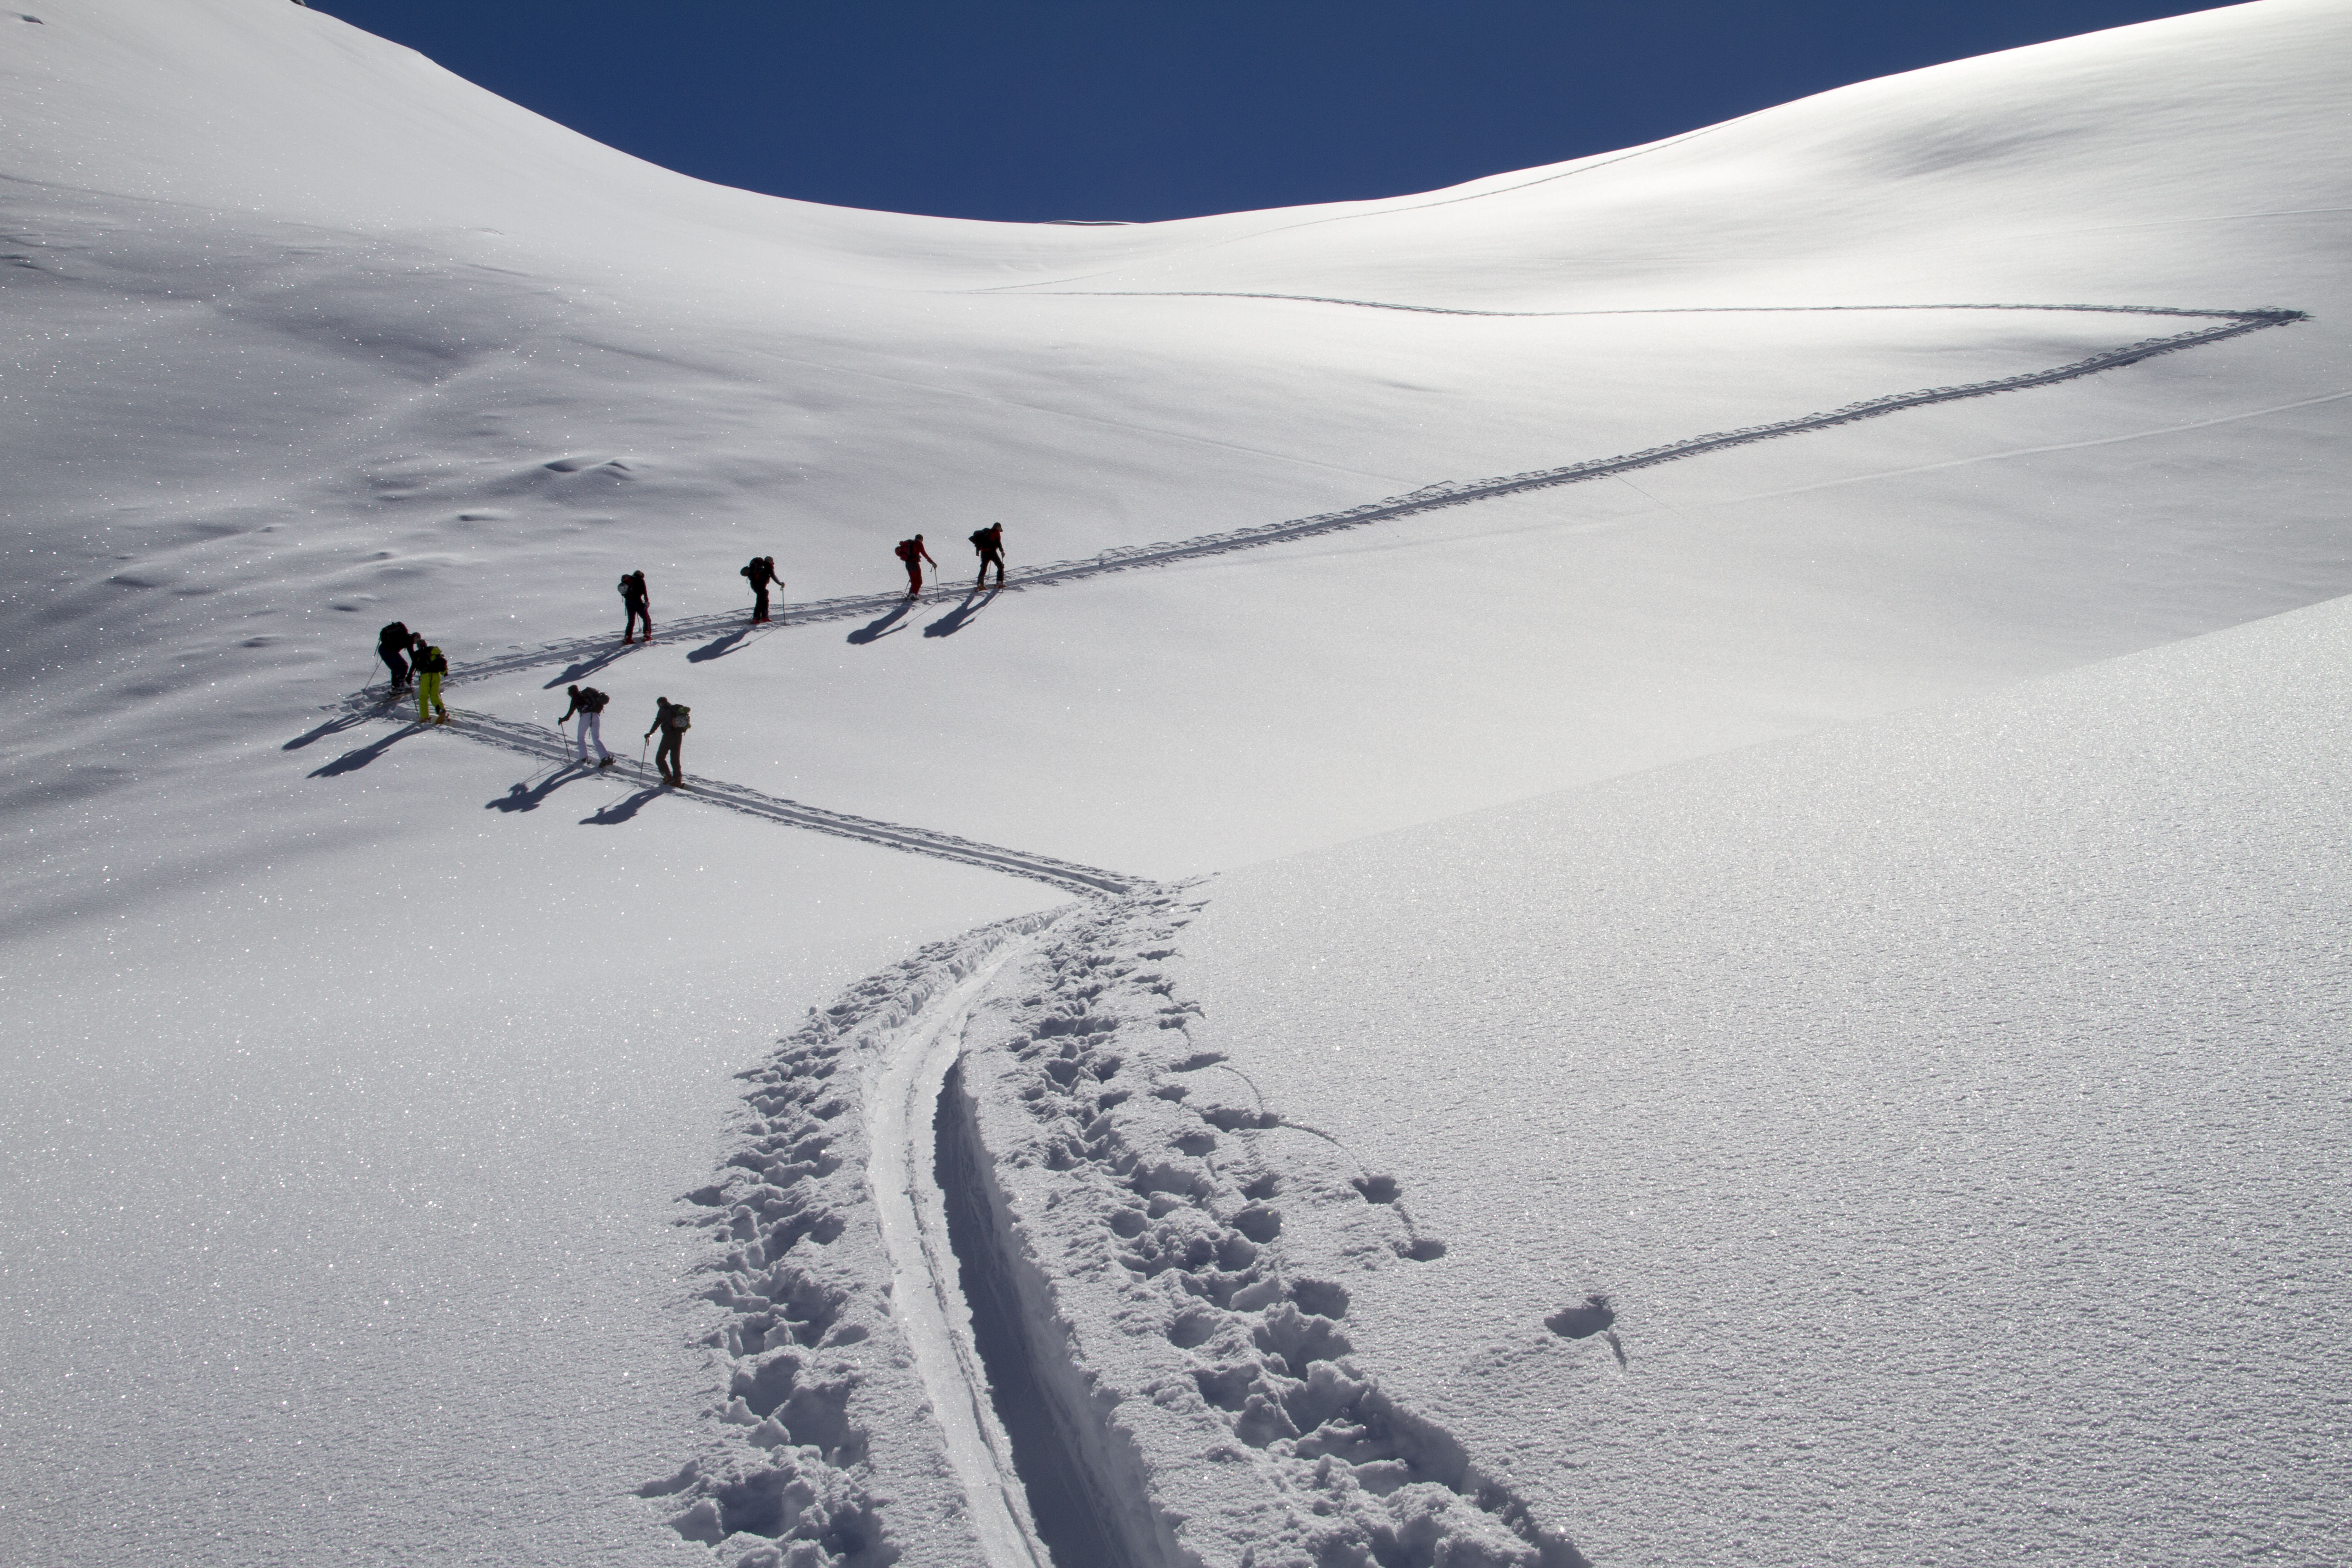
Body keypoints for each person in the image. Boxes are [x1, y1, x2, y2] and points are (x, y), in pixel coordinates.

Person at [559, 684, 615, 767]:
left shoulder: (576, 697)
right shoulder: (586, 696)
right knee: (596, 738)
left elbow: (570, 713)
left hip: (586, 716)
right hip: (596, 715)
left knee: (581, 737)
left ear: (572, 692)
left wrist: (562, 719)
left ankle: (583, 757)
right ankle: (605, 758)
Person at [645, 695, 690, 787]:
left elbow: (658, 721)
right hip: (678, 735)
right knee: (675, 758)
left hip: (668, 736)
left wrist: (650, 733)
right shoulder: (676, 710)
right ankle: (677, 779)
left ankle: (667, 777)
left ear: (660, 703)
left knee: (660, 758)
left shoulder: (663, 709)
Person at [414, 641, 450, 725]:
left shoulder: (419, 653)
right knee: (435, 696)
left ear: (419, 646)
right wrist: (444, 672)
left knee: (423, 697)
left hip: (426, 676)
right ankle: (442, 713)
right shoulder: (435, 651)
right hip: (437, 676)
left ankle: (425, 718)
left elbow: (415, 665)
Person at [741, 555, 782, 624]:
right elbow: (773, 576)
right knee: (761, 601)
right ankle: (758, 618)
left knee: (764, 599)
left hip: (754, 585)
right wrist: (780, 584)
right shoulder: (768, 566)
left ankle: (763, 617)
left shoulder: (758, 567)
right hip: (760, 586)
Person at [895, 535, 937, 599]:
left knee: (914, 580)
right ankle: (913, 595)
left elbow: (912, 553)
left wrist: (917, 556)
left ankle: (911, 595)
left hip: (908, 564)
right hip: (914, 564)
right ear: (921, 539)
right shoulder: (918, 543)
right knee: (918, 581)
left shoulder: (910, 544)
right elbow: (924, 553)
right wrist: (932, 562)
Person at [376, 621, 412, 695]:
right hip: (388, 649)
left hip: (382, 649)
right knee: (403, 665)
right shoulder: (408, 639)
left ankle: (395, 688)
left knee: (395, 669)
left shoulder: (400, 635)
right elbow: (412, 656)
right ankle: (401, 686)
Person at [969, 523, 1005, 588]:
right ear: (997, 527)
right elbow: (998, 542)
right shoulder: (995, 532)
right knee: (1000, 566)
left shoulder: (986, 533)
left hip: (984, 553)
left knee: (983, 568)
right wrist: (1002, 551)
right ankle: (1000, 583)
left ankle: (980, 585)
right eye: (1000, 529)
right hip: (992, 552)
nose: (999, 530)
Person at [619, 570, 652, 644]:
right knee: (647, 618)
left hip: (628, 602)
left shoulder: (630, 580)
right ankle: (647, 635)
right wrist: (646, 601)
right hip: (637, 601)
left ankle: (628, 637)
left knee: (631, 620)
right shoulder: (641, 580)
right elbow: (645, 591)